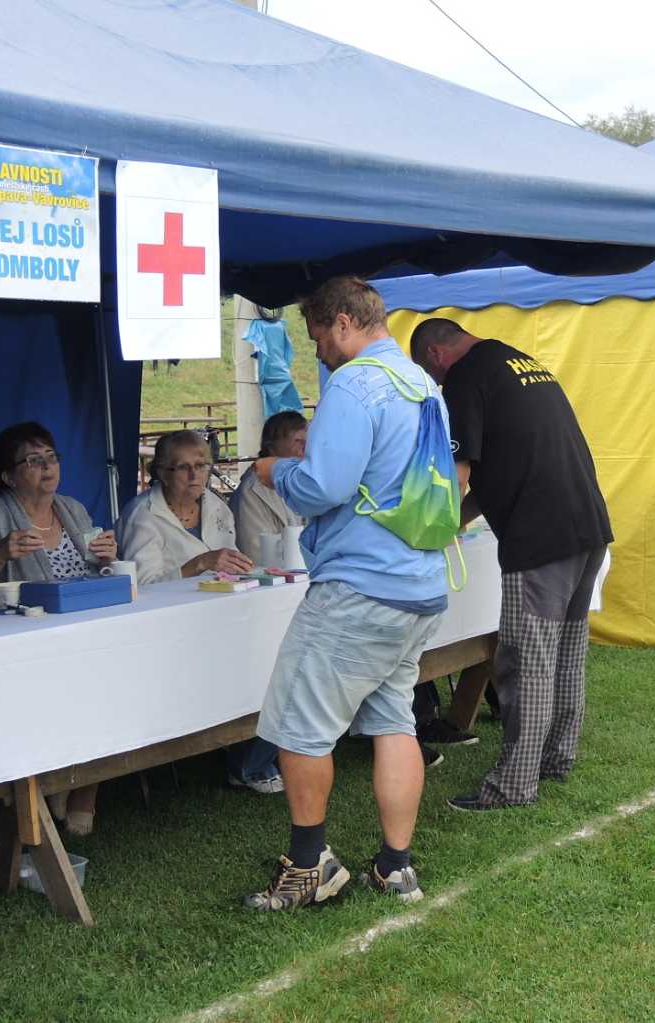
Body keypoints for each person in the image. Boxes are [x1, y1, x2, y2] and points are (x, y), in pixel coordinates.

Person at [242, 275, 449, 910]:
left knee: (299, 728)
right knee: (393, 720)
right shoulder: (423, 384)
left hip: (360, 584)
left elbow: (324, 486)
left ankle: (309, 867)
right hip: (419, 583)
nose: (317, 354)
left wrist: (276, 471)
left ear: (340, 323)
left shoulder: (355, 384)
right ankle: (395, 867)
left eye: (315, 339)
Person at [409, 318, 612, 811]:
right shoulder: (516, 360)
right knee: (566, 650)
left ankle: (514, 784)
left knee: (527, 661)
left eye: (428, 374)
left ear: (436, 354)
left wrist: (427, 525)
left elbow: (459, 471)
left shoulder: (464, 378)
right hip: (586, 525)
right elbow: (505, 465)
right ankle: (555, 758)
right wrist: (460, 519)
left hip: (539, 536)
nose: (435, 385)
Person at [0, 421, 117, 834]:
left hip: (81, 634)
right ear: (7, 476)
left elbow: (97, 571)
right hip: (24, 646)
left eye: (52, 457)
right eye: (33, 460)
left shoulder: (72, 509)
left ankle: (81, 788)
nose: (47, 467)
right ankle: (65, 779)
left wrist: (107, 556)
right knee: (88, 684)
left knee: (115, 675)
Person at [117, 431, 252, 587]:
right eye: (183, 467)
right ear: (163, 473)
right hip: (169, 608)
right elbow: (143, 587)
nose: (194, 475)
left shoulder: (216, 505)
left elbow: (231, 565)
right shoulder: (142, 516)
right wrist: (200, 564)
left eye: (200, 466)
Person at [232, 411, 308, 559]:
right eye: (297, 441)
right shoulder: (252, 491)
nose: (306, 448)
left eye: (309, 441)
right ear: (271, 447)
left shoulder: (306, 482)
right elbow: (256, 554)